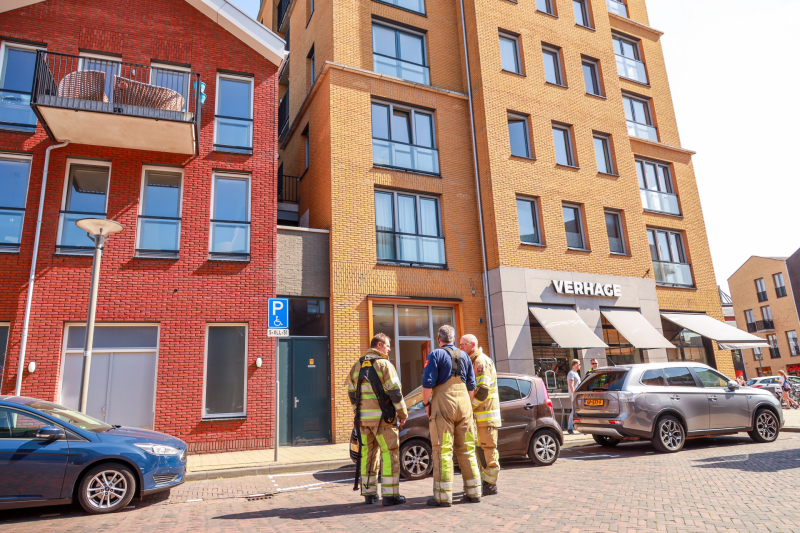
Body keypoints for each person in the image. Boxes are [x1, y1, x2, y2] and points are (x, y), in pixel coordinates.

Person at [422, 325, 481, 507]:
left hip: (443, 406)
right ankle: (474, 492)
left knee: (443, 450)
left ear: (439, 340)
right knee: (467, 448)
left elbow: (427, 384)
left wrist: (427, 405)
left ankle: (442, 496)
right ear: (454, 340)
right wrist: (467, 407)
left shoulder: (435, 355)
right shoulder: (465, 356)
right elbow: (471, 385)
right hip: (464, 405)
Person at [347, 333, 408, 506]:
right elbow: (395, 392)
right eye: (388, 345)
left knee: (367, 454)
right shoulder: (384, 365)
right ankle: (390, 495)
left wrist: (357, 413)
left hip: (363, 422)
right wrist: (402, 414)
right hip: (384, 421)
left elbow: (351, 393)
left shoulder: (357, 365)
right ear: (379, 345)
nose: (389, 349)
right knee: (389, 454)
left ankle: (369, 493)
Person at [460, 334, 500, 496]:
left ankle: (490, 485)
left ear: (473, 344)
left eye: (463, 344)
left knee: (488, 451)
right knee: (480, 452)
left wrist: (469, 408)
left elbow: (483, 390)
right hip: (479, 418)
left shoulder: (480, 361)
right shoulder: (473, 361)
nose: (460, 347)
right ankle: (486, 483)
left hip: (485, 416)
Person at [567, 359, 581, 435]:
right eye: (579, 364)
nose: (580, 366)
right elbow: (571, 385)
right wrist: (574, 395)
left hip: (577, 395)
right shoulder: (571, 373)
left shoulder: (575, 373)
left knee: (577, 410)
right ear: (575, 364)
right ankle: (569, 427)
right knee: (574, 411)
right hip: (574, 395)